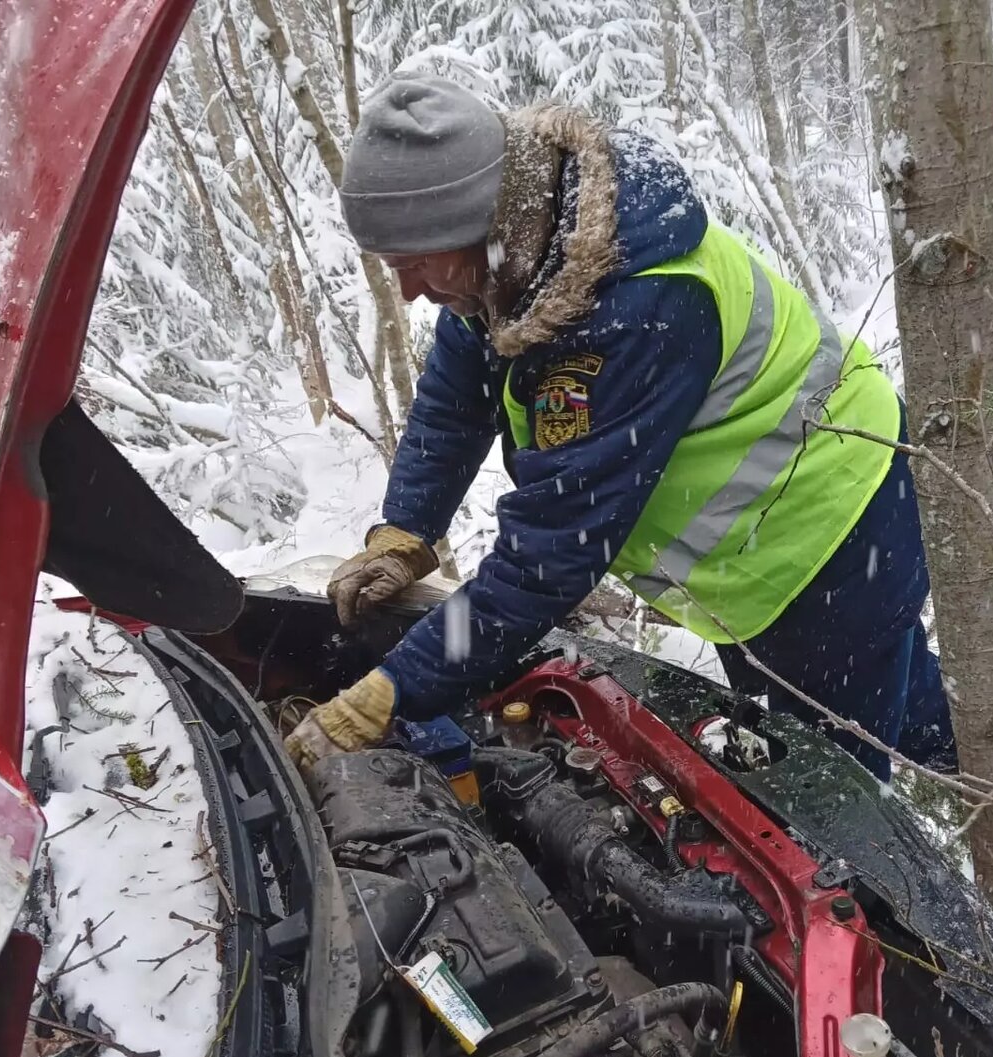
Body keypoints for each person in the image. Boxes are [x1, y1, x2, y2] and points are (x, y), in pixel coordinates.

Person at [284, 73, 957, 783]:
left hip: (830, 529)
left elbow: (546, 560)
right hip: (763, 541)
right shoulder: (506, 263)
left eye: (414, 264)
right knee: (883, 684)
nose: (409, 291)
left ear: (479, 225)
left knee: (822, 787)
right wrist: (406, 530)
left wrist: (393, 692)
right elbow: (455, 399)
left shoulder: (637, 307)